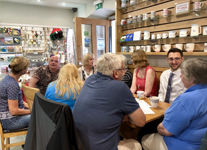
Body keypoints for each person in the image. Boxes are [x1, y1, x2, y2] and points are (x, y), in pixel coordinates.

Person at [73, 53, 146, 150]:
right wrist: (126, 116)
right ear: (116, 73)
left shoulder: (89, 80)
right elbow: (141, 122)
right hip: (100, 147)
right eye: (122, 70)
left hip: (78, 144)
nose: (124, 72)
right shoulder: (120, 87)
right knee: (136, 144)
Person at [142, 58, 207, 150]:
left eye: (183, 74)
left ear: (192, 79)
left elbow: (166, 130)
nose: (180, 76)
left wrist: (158, 127)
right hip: (201, 143)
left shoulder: (186, 99)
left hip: (183, 145)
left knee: (144, 138)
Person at [0, 57, 31, 130]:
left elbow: (16, 102)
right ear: (23, 70)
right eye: (27, 67)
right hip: (11, 121)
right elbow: (14, 111)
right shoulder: (12, 85)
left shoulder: (8, 78)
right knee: (41, 117)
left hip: (9, 118)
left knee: (40, 114)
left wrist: (30, 106)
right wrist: (32, 110)